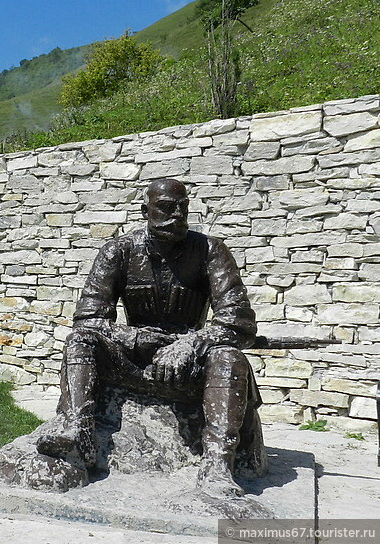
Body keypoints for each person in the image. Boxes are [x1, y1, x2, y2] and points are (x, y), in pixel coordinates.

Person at [36, 178, 266, 498]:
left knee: (228, 358)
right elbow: (88, 318)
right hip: (136, 361)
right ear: (146, 210)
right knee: (81, 341)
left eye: (182, 209)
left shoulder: (211, 250)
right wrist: (131, 338)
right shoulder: (118, 251)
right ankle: (76, 430)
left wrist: (190, 344)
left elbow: (238, 322)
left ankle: (217, 466)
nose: (176, 216)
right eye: (166, 208)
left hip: (190, 366)